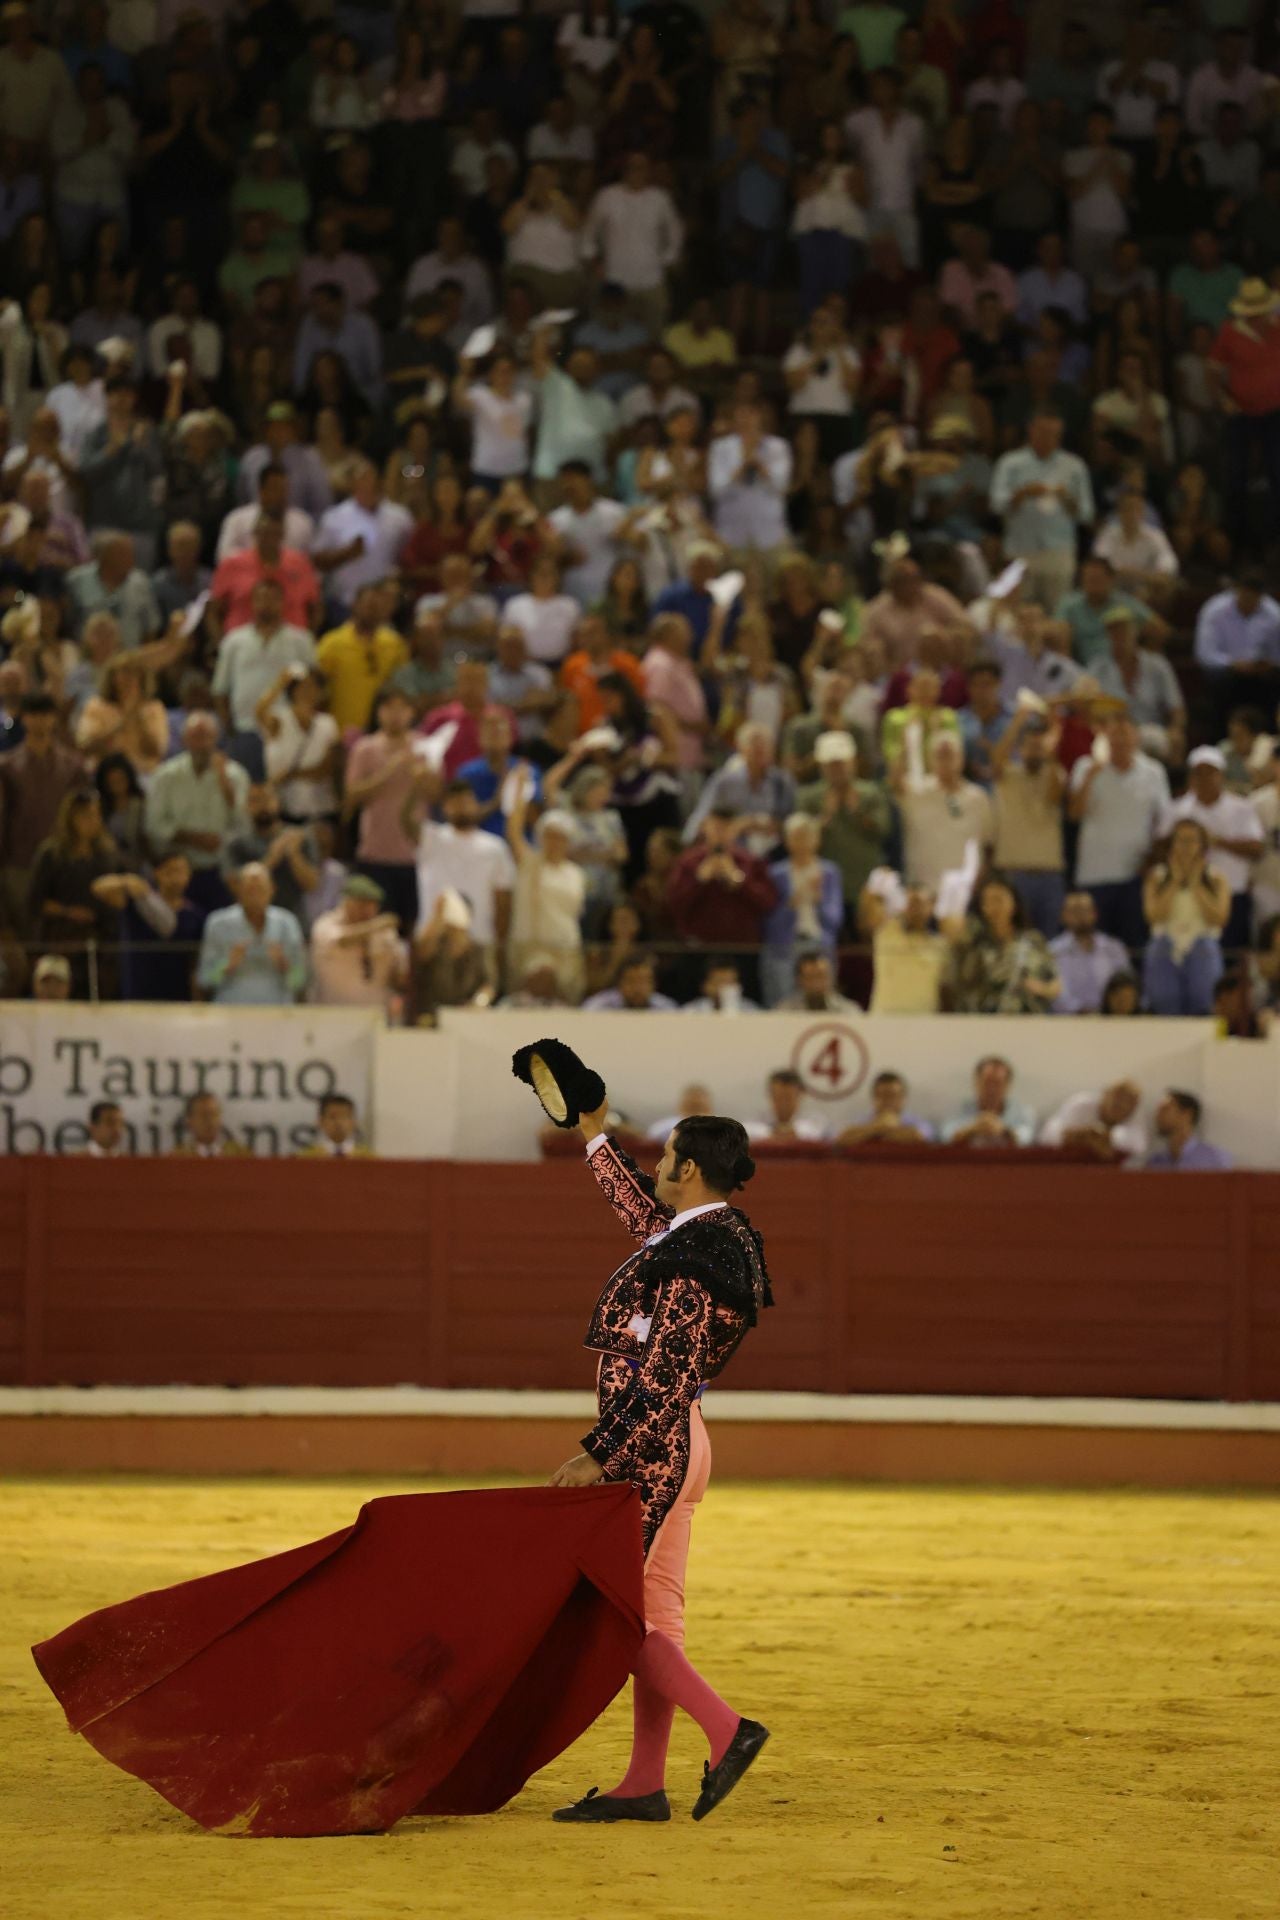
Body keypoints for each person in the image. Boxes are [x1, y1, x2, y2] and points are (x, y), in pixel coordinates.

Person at [551, 1099, 772, 1823]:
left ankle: (727, 1726)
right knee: (657, 1621)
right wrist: (592, 1135)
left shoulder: (695, 1259)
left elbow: (666, 1380)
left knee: (608, 1614)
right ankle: (645, 1781)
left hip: (654, 1450)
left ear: (692, 1167)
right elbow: (637, 1208)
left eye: (667, 1154)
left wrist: (598, 1453)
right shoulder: (697, 1238)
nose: (655, 1167)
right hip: (679, 1445)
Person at [1068, 714, 1170, 949]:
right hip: (1094, 874)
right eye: (1114, 735)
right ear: (1105, 738)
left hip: (1135, 876)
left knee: (1134, 945)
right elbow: (1074, 814)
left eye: (1125, 734)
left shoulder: (1154, 772)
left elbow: (1163, 824)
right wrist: (1091, 776)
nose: (1120, 741)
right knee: (1092, 944)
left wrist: (1152, 861)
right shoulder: (1085, 766)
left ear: (1136, 738)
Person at [1162, 746, 1263, 953]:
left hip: (1232, 892)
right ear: (1191, 776)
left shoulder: (1241, 808)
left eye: (1211, 772)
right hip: (1188, 896)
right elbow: (1160, 845)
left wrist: (1217, 841)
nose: (1205, 778)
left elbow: (1256, 848)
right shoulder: (1177, 809)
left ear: (1221, 775)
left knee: (1232, 955)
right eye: (1199, 772)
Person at [1141, 819, 1231, 1017]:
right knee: (1159, 949)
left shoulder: (1216, 878)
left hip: (1201, 945)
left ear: (1202, 845)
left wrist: (1195, 882)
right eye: (1181, 841)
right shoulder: (1157, 877)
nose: (1186, 847)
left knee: (1205, 950)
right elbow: (1154, 916)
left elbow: (1219, 918)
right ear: (1172, 844)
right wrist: (1174, 880)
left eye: (1192, 841)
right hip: (1167, 945)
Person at [946, 873, 1062, 1015]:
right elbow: (960, 987)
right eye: (988, 901)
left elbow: (1055, 985)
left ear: (1014, 902)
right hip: (983, 1023)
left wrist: (1039, 988)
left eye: (999, 899)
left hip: (1027, 1021)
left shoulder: (1033, 940)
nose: (995, 907)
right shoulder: (973, 945)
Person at [196, 860, 307, 1005]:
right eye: (249, 889)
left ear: (272, 889)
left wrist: (283, 963)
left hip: (277, 1009)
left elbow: (300, 981)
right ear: (238, 889)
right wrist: (227, 965)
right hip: (231, 1008)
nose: (255, 895)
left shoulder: (287, 922)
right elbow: (204, 980)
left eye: (260, 889)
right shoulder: (218, 923)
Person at [309, 873, 406, 1011]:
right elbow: (342, 941)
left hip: (376, 1015)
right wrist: (376, 927)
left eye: (373, 906)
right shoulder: (326, 925)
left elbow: (398, 975)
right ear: (347, 902)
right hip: (333, 1014)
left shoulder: (385, 933)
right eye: (363, 904)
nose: (368, 911)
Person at [1050, 892, 1132, 1015]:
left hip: (1112, 1021)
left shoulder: (1114, 948)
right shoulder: (1052, 951)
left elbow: (1126, 986)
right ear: (1063, 916)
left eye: (1084, 909)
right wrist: (1079, 1011)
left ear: (1095, 913)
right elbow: (1053, 993)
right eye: (1074, 910)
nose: (1080, 915)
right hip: (1067, 1021)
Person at [941, 1055, 1036, 1148]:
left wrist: (1003, 1131)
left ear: (1008, 1085)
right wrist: (974, 1129)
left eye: (998, 1083)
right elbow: (945, 1137)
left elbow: (1026, 1139)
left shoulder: (1023, 1112)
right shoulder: (958, 1109)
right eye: (987, 1082)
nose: (992, 1089)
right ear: (976, 1082)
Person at [1039, 1081, 1147, 1163]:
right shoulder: (1082, 1104)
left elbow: (1138, 1146)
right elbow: (1050, 1136)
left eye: (1127, 1101)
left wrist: (1106, 1138)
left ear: (1133, 1108)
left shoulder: (1136, 1118)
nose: (1120, 1104)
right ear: (1105, 1094)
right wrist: (1086, 1135)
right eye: (1117, 1097)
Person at [838, 1071, 933, 1146]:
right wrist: (879, 1126)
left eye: (893, 1096)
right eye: (883, 1096)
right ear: (874, 1098)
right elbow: (842, 1139)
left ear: (903, 1098)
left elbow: (920, 1137)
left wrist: (876, 1130)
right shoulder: (863, 1120)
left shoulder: (916, 1121)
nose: (888, 1101)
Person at [1144, 1090, 1232, 1170]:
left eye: (1165, 1109)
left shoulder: (1215, 1159)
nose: (1157, 1116)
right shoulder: (1156, 1163)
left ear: (1187, 1114)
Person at [745, 1068, 830, 1143]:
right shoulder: (759, 1118)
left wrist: (790, 1134)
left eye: (788, 1098)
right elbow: (744, 1131)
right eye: (778, 1097)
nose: (783, 1103)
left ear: (800, 1095)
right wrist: (772, 1134)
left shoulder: (815, 1119)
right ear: (770, 1096)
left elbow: (816, 1132)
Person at [583, 952, 677, 1011]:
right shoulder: (599, 1006)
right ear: (619, 983)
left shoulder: (666, 1008)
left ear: (653, 985)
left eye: (643, 981)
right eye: (631, 981)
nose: (637, 988)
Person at [774, 948, 857, 1012]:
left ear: (831, 977)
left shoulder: (849, 1011)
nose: (816, 983)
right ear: (799, 980)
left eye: (821, 976)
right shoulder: (785, 1011)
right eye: (810, 977)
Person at [296, 1092, 374, 1158]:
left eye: (344, 1117)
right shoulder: (306, 1158)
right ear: (320, 1121)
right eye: (332, 1117)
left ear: (354, 1122)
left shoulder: (368, 1159)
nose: (338, 1122)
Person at [170, 1093, 248, 1159]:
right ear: (189, 1121)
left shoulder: (241, 1155)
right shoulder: (177, 1158)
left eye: (214, 1115)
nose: (211, 1121)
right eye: (204, 1115)